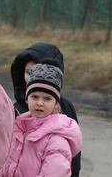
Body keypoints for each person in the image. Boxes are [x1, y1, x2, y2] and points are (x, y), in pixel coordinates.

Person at [10, 42, 81, 176]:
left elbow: (71, 159)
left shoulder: (64, 110)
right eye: (28, 72)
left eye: (47, 99)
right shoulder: (16, 109)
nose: (40, 103)